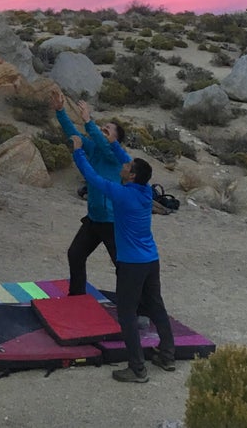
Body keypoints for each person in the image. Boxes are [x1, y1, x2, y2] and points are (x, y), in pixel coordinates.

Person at [70, 137, 176, 384]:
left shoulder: (122, 194)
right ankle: (168, 355)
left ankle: (137, 368)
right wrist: (115, 143)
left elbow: (93, 178)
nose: (124, 166)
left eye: (128, 168)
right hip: (151, 259)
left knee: (127, 313)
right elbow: (127, 161)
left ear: (130, 176)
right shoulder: (145, 190)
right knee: (156, 305)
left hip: (132, 264)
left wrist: (78, 152)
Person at [53, 94, 130, 294]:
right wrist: (60, 111)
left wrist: (89, 121)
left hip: (112, 221)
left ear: (117, 140)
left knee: (123, 266)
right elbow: (73, 134)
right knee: (76, 254)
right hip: (94, 219)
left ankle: (135, 307)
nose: (102, 132)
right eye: (102, 128)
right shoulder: (95, 148)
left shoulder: (115, 156)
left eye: (107, 130)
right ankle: (77, 296)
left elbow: (103, 143)